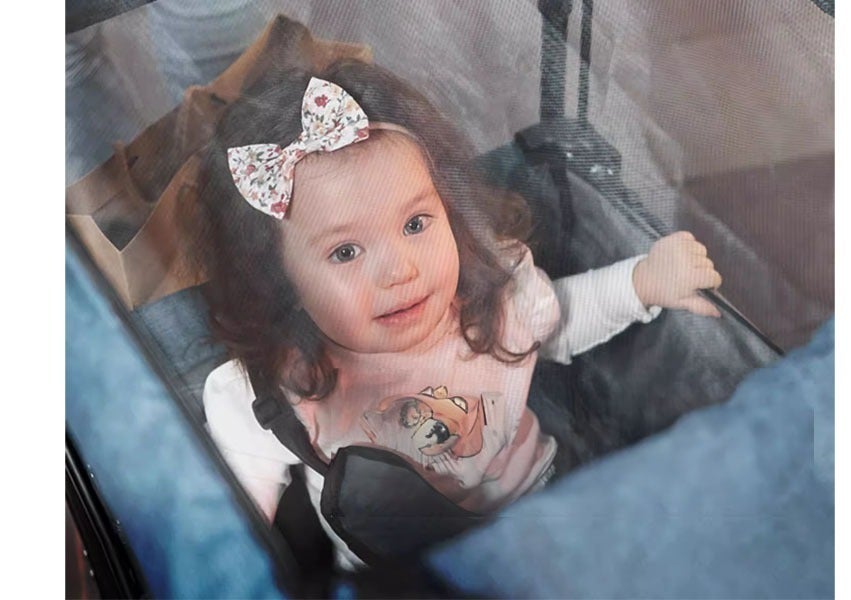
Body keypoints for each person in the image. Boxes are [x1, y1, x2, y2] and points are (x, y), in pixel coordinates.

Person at [192, 59, 722, 570]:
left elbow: (560, 321)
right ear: (281, 282)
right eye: (346, 252)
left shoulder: (489, 299)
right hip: (399, 569)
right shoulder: (286, 381)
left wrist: (641, 283)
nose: (400, 270)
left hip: (539, 503)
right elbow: (239, 486)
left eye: (416, 223)